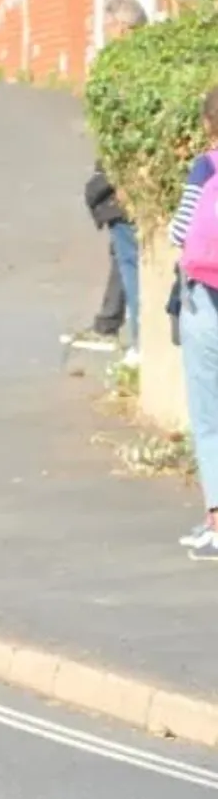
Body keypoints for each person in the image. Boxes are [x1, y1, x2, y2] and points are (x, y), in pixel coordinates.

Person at [167, 84, 218, 560]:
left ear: (208, 123)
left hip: (208, 301)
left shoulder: (206, 166)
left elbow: (181, 231)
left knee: (211, 419)